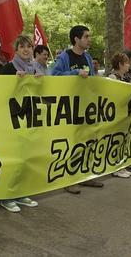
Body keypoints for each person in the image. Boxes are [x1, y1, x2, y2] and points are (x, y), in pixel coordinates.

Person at [51, 25, 103, 193]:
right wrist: (74, 74)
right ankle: (69, 180)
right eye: (86, 36)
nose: (89, 39)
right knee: (71, 143)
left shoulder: (87, 57)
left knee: (87, 141)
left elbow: (92, 79)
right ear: (76, 39)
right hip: (68, 108)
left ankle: (85, 176)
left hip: (85, 106)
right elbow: (54, 77)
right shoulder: (64, 57)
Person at [0, 35, 40, 213]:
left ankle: (21, 192)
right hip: (11, 119)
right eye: (22, 47)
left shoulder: (36, 69)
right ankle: (6, 196)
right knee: (12, 158)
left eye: (29, 46)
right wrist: (13, 80)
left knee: (25, 156)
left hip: (29, 119)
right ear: (16, 50)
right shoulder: (9, 68)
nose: (26, 49)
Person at [107, 53, 131, 178]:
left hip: (126, 112)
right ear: (120, 64)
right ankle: (115, 167)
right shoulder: (112, 77)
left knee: (124, 140)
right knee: (116, 141)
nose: (128, 65)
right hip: (117, 114)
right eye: (126, 62)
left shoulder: (126, 77)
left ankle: (122, 165)